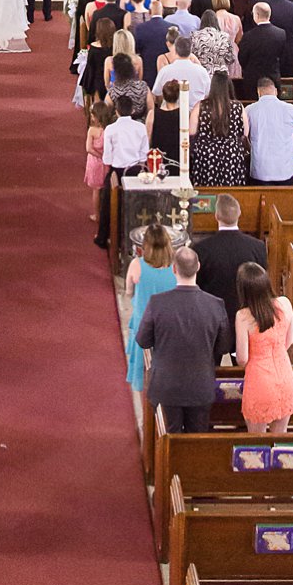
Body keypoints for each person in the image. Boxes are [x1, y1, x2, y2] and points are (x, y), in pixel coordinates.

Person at [134, 245, 227, 431]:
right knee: (195, 443)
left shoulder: (157, 303)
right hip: (200, 387)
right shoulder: (215, 305)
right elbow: (223, 346)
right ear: (198, 266)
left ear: (174, 269)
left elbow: (143, 340)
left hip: (166, 386)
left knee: (169, 441)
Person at [235, 259, 293, 435]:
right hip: (285, 375)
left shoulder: (243, 316)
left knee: (256, 442)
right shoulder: (285, 303)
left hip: (259, 380)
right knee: (280, 437)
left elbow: (242, 358)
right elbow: (289, 341)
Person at [124, 219, 178, 391]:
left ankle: (145, 397)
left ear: (145, 244)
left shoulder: (136, 265)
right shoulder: (176, 266)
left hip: (144, 322)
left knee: (143, 365)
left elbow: (128, 291)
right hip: (168, 323)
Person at [194, 193, 263, 323]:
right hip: (249, 318)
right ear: (239, 213)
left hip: (212, 317)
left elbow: (198, 285)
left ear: (216, 216)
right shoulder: (258, 247)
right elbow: (260, 284)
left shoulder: (201, 249)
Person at [95, 91, 150, 251]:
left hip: (116, 172)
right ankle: (136, 237)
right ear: (132, 110)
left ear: (116, 111)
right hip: (136, 171)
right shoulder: (140, 127)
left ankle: (102, 237)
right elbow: (144, 153)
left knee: (107, 202)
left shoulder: (111, 129)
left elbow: (107, 158)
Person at [188, 71, 251, 189]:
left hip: (207, 158)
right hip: (232, 157)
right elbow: (245, 133)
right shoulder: (238, 107)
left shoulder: (200, 106)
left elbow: (191, 132)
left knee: (208, 196)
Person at [247, 77, 293, 185]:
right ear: (276, 91)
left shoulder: (250, 110)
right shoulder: (290, 109)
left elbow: (245, 136)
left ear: (258, 92)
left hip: (261, 169)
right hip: (286, 167)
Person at [239, 2, 288, 101]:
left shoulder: (248, 36)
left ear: (256, 15)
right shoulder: (281, 34)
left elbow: (242, 58)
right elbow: (284, 57)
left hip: (253, 80)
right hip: (273, 77)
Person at [190, 1, 239, 86]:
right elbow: (230, 59)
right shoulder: (224, 36)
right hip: (221, 77)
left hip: (201, 75)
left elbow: (191, 57)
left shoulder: (194, 36)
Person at [146, 75, 184, 173]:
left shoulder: (153, 114)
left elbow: (148, 138)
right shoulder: (184, 114)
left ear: (163, 95)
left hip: (158, 157)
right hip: (178, 157)